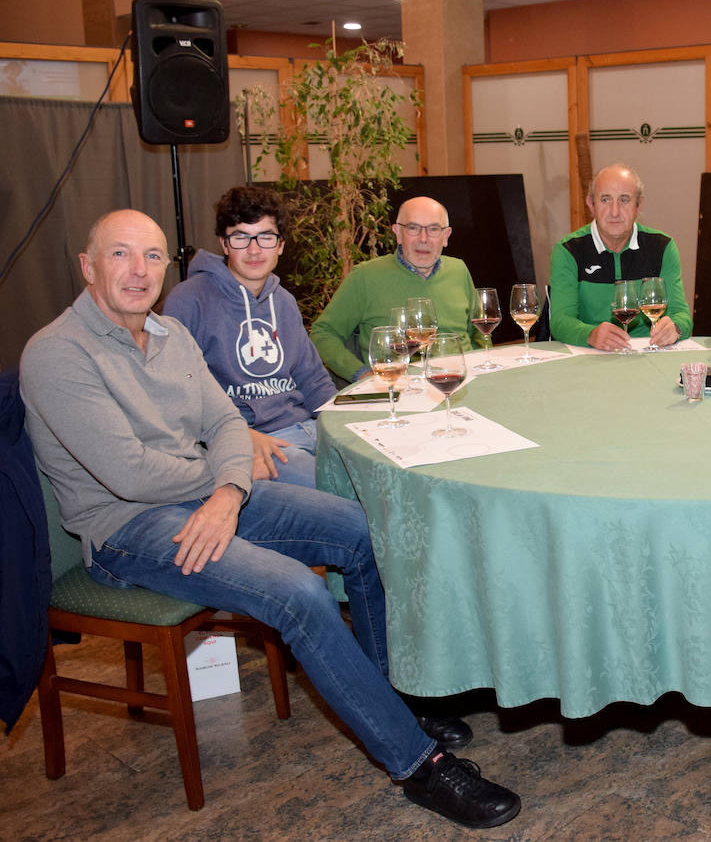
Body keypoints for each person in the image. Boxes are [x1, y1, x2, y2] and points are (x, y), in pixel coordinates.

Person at [21, 210, 521, 829]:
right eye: (120, 255)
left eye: (152, 256)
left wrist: (227, 490)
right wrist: (228, 480)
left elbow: (228, 424)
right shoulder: (55, 354)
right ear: (87, 266)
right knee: (299, 593)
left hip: (208, 495)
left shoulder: (168, 336)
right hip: (128, 529)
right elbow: (130, 474)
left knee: (365, 536)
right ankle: (417, 763)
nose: (139, 271)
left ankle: (389, 699)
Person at [163, 186, 335, 488]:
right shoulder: (189, 299)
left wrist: (341, 427)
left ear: (280, 245)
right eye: (241, 237)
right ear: (224, 244)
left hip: (308, 427)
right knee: (342, 488)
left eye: (266, 237)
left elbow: (313, 378)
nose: (254, 250)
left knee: (378, 470)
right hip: (252, 439)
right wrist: (238, 434)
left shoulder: (283, 301)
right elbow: (176, 390)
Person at [310, 196, 480, 381]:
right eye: (413, 228)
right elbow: (323, 333)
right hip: (399, 388)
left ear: (445, 236)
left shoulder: (459, 270)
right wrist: (362, 375)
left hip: (461, 380)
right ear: (398, 233)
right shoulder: (365, 276)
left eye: (433, 229)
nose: (423, 239)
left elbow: (478, 333)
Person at [550, 163, 692, 351]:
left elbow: (681, 314)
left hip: (648, 355)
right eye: (605, 200)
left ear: (639, 205)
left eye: (624, 200)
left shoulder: (663, 247)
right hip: (590, 355)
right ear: (591, 205)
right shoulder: (568, 250)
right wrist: (590, 335)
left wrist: (676, 328)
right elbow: (560, 321)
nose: (615, 211)